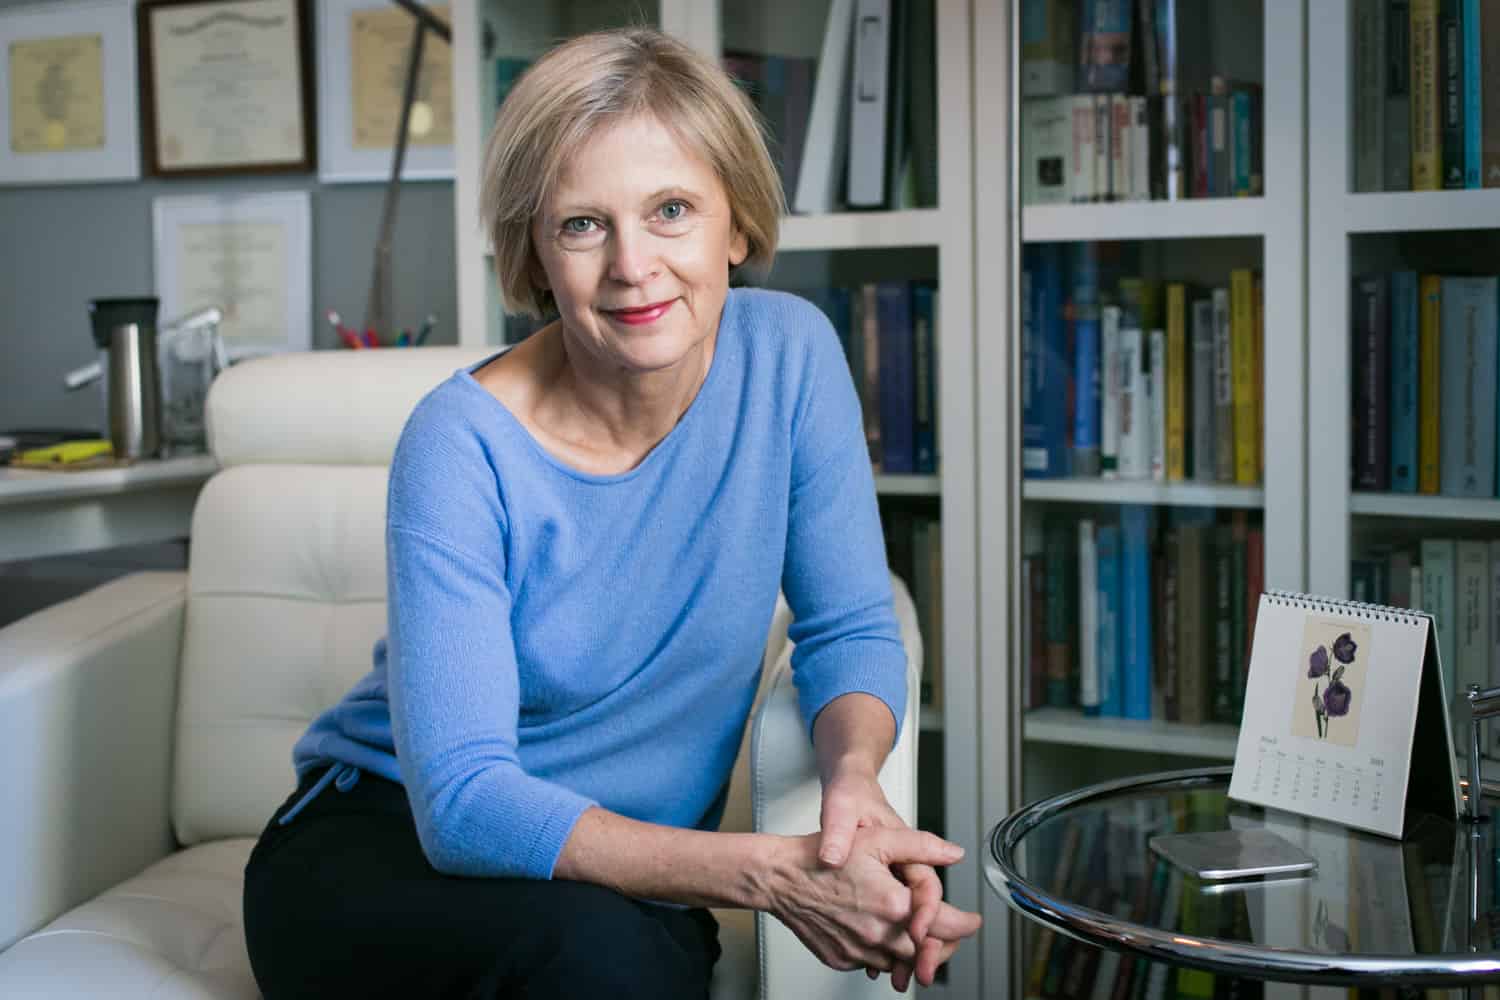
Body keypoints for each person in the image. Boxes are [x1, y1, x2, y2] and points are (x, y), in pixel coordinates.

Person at [242, 26, 980, 999]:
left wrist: (854, 787)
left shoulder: (791, 359)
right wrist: (771, 873)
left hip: (619, 877)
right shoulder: (459, 444)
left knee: (625, 963)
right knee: (605, 966)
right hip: (379, 845)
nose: (634, 265)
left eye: (671, 209)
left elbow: (846, 625)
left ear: (738, 226)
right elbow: (463, 802)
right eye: (583, 224)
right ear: (537, 254)